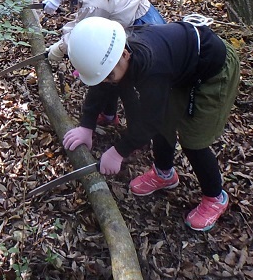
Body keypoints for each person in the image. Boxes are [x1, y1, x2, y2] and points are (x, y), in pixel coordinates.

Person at [62, 16, 240, 232]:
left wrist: (119, 151)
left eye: (110, 76)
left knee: (193, 140)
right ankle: (165, 173)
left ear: (125, 54)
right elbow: (101, 85)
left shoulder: (152, 67)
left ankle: (215, 197)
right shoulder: (118, 57)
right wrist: (86, 125)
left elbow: (149, 120)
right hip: (183, 70)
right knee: (165, 123)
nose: (108, 81)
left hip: (213, 71)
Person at [36, 0, 165, 127]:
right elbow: (80, 21)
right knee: (109, 70)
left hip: (144, 29)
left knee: (125, 79)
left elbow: (82, 31)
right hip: (134, 24)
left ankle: (140, 132)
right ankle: (109, 114)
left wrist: (61, 48)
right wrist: (61, 43)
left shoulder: (93, 1)